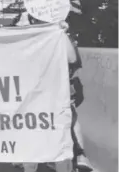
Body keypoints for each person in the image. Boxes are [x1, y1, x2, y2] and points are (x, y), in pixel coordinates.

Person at [20, 15, 92, 172]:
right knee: (32, 138)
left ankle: (77, 156)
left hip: (56, 98)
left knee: (63, 133)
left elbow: (72, 58)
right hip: (32, 99)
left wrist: (60, 32)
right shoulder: (23, 40)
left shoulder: (56, 34)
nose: (25, 22)